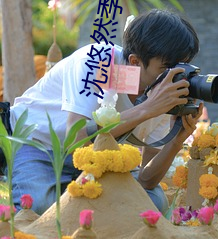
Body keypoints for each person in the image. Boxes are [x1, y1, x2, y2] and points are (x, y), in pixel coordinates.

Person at [6, 9, 202, 215]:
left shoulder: (164, 90)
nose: (175, 76)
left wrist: (176, 140)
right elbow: (76, 140)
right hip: (37, 144)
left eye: (182, 66)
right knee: (39, 208)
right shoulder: (97, 60)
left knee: (152, 202)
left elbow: (146, 180)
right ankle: (65, 197)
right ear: (135, 62)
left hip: (96, 157)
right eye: (167, 68)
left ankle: (70, 199)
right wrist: (147, 108)